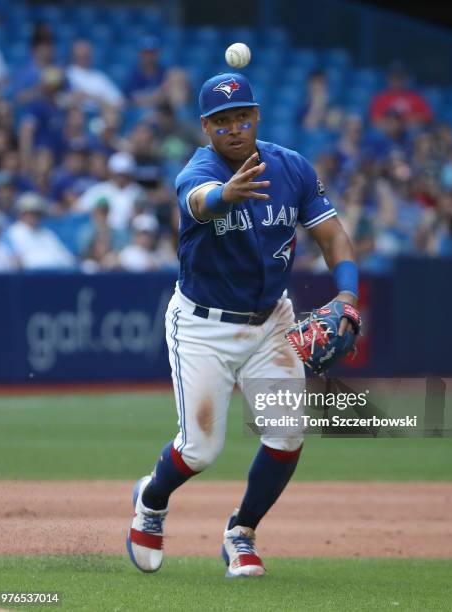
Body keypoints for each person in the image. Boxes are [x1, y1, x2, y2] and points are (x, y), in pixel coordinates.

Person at [126, 73, 359, 577]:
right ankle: (151, 499)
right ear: (206, 127)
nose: (235, 128)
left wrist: (347, 294)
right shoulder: (199, 170)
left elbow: (333, 237)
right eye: (223, 121)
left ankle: (242, 532)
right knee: (200, 449)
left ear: (256, 117)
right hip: (202, 326)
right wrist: (225, 195)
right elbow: (197, 201)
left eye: (243, 117)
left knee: (287, 434)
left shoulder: (291, 168)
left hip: (271, 321)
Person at [6, 192, 75, 269]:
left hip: (54, 275)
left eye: (36, 213)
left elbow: (67, 258)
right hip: (28, 277)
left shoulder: (47, 233)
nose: (33, 216)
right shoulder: (12, 233)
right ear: (21, 213)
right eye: (29, 212)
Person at [369, 62, 433, 128]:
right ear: (388, 79)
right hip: (387, 130)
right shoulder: (381, 97)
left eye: (400, 78)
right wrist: (391, 123)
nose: (397, 81)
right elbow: (374, 118)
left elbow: (428, 116)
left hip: (409, 130)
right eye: (394, 77)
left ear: (406, 79)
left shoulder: (416, 97)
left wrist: (408, 120)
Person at [66, 40, 124, 112]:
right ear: (73, 54)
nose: (83, 57)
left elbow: (120, 102)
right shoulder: (66, 74)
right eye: (80, 55)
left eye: (86, 54)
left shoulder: (99, 77)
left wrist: (94, 98)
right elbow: (57, 100)